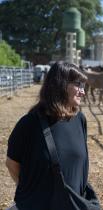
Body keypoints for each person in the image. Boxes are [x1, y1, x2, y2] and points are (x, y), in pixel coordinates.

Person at [6, 62, 93, 209]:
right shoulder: (28, 124)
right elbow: (12, 163)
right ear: (61, 85)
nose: (82, 92)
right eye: (78, 85)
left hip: (73, 205)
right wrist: (32, 191)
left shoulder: (79, 119)